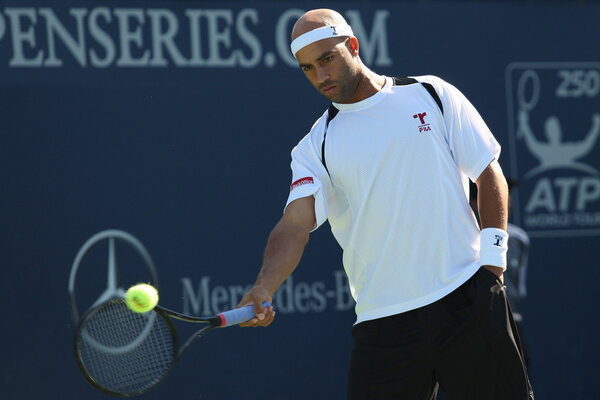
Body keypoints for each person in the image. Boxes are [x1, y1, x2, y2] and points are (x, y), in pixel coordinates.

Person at [237, 8, 534, 400]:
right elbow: (294, 225)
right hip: (384, 326)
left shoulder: (432, 93)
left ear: (353, 46)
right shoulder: (315, 147)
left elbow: (487, 172)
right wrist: (264, 284)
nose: (321, 76)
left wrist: (493, 265)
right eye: (308, 69)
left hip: (467, 299)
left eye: (327, 59)